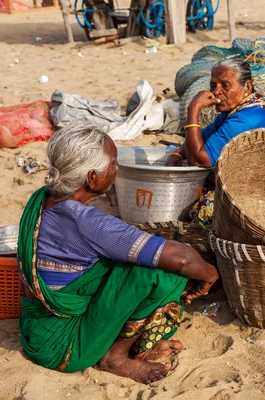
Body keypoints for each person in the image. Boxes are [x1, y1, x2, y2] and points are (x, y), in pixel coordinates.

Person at [17, 120, 219, 384]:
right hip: (64, 347)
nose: (116, 168)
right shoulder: (86, 221)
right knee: (163, 275)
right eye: (113, 163)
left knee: (131, 259)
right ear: (92, 177)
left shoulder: (42, 199)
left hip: (34, 331)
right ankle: (115, 358)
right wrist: (210, 275)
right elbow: (181, 259)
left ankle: (134, 344)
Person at [166, 58, 265, 168]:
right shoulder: (235, 111)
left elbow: (199, 161)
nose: (216, 92)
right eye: (213, 85)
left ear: (247, 88)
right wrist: (177, 154)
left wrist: (193, 109)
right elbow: (202, 139)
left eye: (225, 85)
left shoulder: (245, 118)